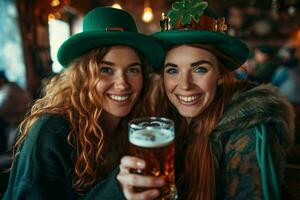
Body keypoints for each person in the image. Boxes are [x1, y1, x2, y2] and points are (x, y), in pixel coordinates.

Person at [117, 0, 295, 199]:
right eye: (173, 70)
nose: (185, 85)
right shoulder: (162, 120)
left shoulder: (250, 130)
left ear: (220, 75)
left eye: (199, 69)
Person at [2, 7, 165, 199]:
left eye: (133, 70)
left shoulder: (137, 123)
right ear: (82, 77)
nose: (122, 84)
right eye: (106, 70)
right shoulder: (51, 130)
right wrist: (115, 192)